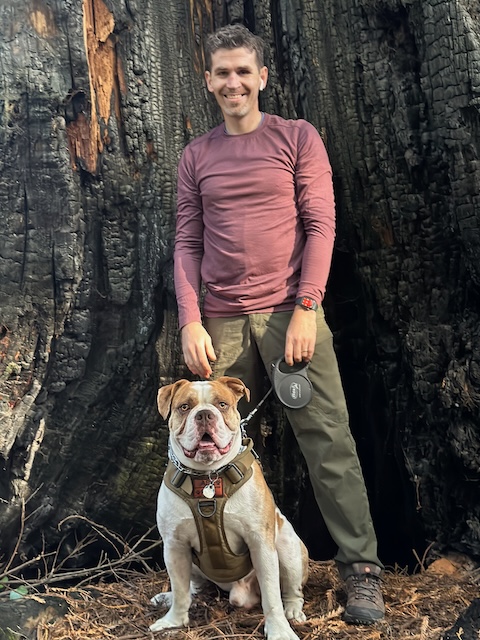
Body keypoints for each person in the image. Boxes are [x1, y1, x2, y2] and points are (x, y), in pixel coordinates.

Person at [173, 23, 385, 625]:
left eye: (244, 71)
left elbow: (321, 226)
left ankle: (361, 572)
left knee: (329, 445)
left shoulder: (297, 138)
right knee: (203, 444)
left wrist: (308, 308)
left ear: (262, 76)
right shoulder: (197, 155)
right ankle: (214, 567)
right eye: (222, 72)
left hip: (293, 315)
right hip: (219, 322)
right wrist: (191, 320)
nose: (233, 82)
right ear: (208, 80)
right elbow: (187, 242)